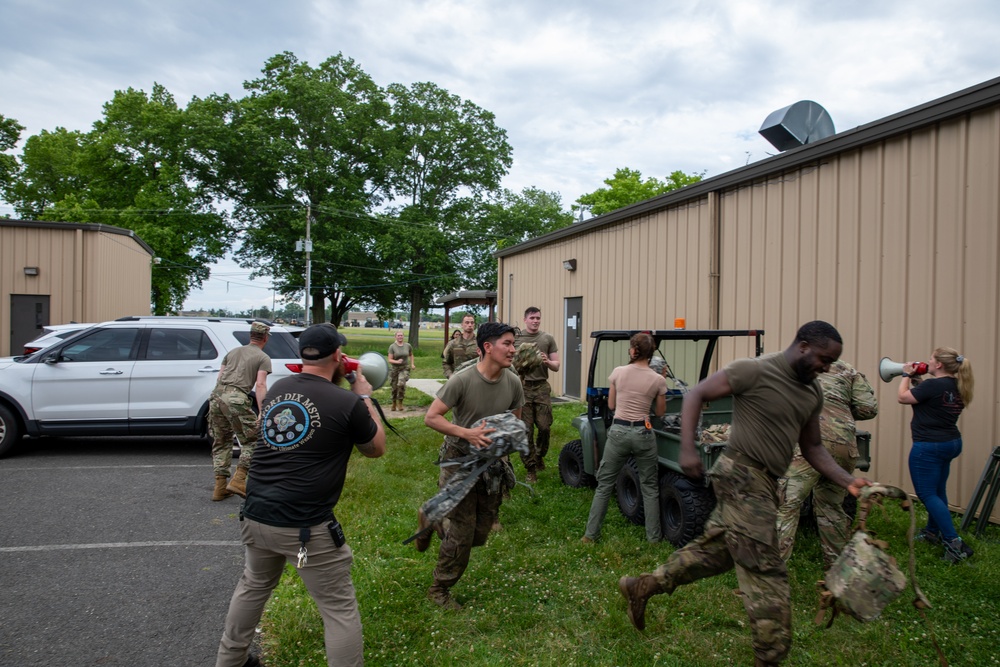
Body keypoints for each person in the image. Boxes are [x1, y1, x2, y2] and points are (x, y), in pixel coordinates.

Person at [618, 321, 869, 667]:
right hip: (740, 475)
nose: (827, 367)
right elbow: (696, 395)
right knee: (768, 573)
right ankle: (769, 657)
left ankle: (643, 586)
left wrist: (848, 480)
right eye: (825, 359)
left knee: (717, 553)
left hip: (767, 483)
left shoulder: (813, 393)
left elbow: (813, 448)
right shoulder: (754, 370)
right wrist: (688, 449)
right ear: (804, 346)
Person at [215, 323, 386, 667]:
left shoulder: (279, 388)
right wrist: (364, 394)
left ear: (302, 355)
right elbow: (376, 448)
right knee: (338, 608)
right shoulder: (347, 402)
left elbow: (267, 426)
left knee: (254, 586)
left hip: (256, 513)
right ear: (339, 356)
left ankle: (229, 661)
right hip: (305, 526)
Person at [421, 321, 525, 610]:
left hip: (491, 466)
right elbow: (432, 417)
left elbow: (515, 420)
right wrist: (467, 433)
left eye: (513, 344)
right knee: (463, 534)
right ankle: (439, 589)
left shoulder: (513, 382)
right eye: (507, 343)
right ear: (487, 347)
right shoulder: (462, 380)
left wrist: (506, 442)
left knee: (480, 533)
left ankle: (434, 517)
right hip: (459, 461)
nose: (513, 349)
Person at [775, 360, 878, 567]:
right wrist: (840, 411)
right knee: (831, 505)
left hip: (807, 446)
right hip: (844, 446)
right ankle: (838, 568)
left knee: (786, 505)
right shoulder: (848, 370)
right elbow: (868, 408)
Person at [583, 333, 667, 543]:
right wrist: (662, 382)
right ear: (651, 354)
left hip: (619, 432)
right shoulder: (657, 379)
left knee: (604, 484)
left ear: (633, 350)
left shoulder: (618, 373)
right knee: (649, 486)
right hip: (644, 434)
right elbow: (661, 413)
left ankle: (590, 535)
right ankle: (653, 538)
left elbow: (611, 406)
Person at [897, 347, 975, 563]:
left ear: (939, 364)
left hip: (929, 446)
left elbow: (903, 398)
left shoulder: (933, 385)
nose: (928, 361)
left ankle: (954, 543)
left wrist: (905, 375)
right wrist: (918, 381)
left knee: (927, 494)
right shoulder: (956, 385)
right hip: (951, 443)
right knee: (938, 490)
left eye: (931, 359)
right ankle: (932, 532)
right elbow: (930, 399)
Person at [209, 321, 272, 501]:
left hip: (216, 397)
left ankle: (220, 488)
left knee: (221, 441)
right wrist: (262, 410)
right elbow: (260, 384)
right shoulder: (263, 357)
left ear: (250, 336)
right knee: (254, 439)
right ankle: (239, 479)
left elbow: (220, 377)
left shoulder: (232, 352)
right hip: (236, 399)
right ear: (265, 338)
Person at [514, 307, 560, 483]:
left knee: (544, 427)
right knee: (525, 430)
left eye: (538, 318)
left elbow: (557, 365)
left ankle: (539, 455)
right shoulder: (517, 339)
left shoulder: (547, 338)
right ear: (525, 319)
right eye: (532, 318)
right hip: (522, 388)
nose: (535, 321)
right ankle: (530, 467)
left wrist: (548, 361)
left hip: (541, 388)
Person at [441, 314, 478, 378]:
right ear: (462, 325)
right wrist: (450, 376)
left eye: (472, 323)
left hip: (475, 379)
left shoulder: (480, 343)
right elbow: (446, 363)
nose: (470, 325)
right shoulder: (453, 343)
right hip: (458, 379)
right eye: (467, 322)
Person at [388, 329, 416, 412]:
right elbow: (389, 359)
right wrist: (396, 361)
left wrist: (412, 364)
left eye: (401, 335)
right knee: (394, 387)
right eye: (398, 335)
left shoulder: (408, 345)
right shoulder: (392, 346)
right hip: (394, 369)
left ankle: (400, 402)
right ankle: (394, 402)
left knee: (401, 384)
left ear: (403, 336)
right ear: (395, 337)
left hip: (404, 368)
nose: (400, 337)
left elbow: (411, 355)